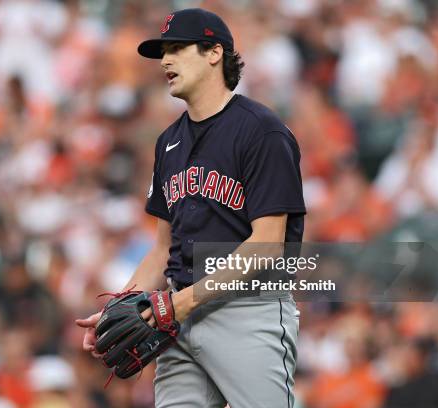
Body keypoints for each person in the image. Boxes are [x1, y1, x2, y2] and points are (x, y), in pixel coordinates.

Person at [77, 8, 305, 408]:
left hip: (246, 313)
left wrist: (178, 305)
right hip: (177, 319)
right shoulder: (168, 142)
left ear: (214, 52)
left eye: (178, 49)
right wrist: (115, 312)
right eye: (164, 52)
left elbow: (269, 242)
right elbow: (162, 248)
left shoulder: (261, 131)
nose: (165, 60)